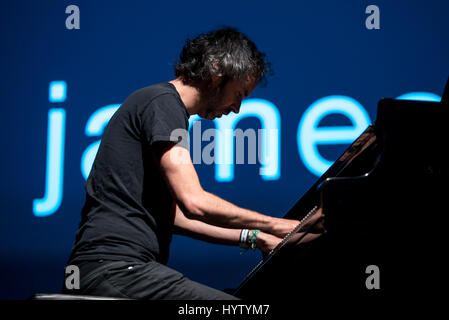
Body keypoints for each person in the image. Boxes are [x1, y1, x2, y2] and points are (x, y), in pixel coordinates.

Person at [63, 27, 322, 300]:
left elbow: (176, 217)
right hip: (116, 270)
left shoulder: (163, 106)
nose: (237, 109)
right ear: (217, 70)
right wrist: (279, 225)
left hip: (111, 269)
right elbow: (195, 202)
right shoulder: (162, 103)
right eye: (240, 94)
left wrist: (255, 237)